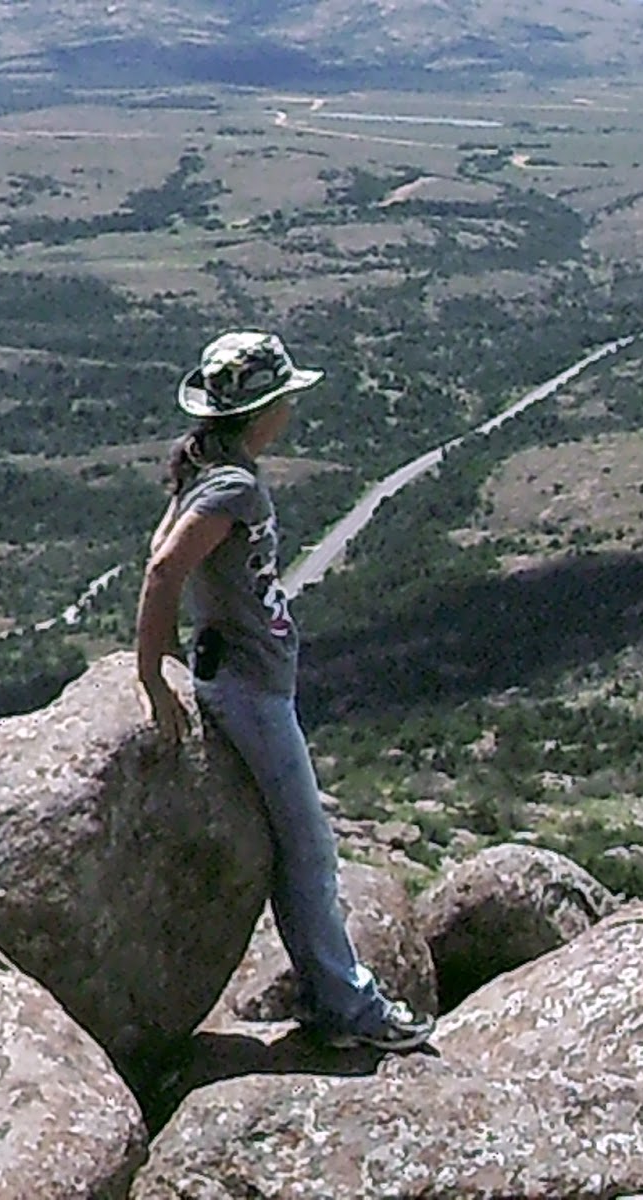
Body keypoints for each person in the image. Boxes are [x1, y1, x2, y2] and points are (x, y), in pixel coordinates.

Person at [135, 330, 435, 1053]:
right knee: (309, 850)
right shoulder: (233, 484)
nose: (292, 410)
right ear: (263, 411)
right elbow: (164, 572)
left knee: (300, 846)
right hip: (250, 688)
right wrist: (151, 671)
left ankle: (331, 994)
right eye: (286, 399)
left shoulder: (206, 467)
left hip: (242, 675)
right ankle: (348, 1008)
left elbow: (159, 554)